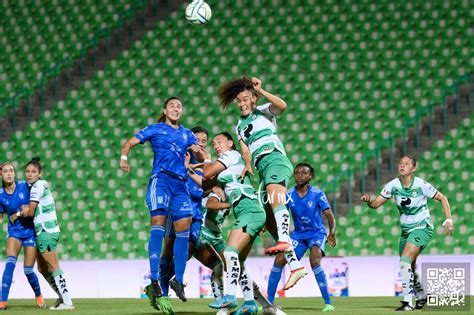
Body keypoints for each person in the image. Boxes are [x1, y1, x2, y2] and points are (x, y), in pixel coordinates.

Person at [217, 76, 307, 290]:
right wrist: (247, 165)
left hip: (275, 158)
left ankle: (285, 239)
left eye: (246, 99)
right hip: (262, 168)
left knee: (275, 196)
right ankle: (295, 266)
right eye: (238, 100)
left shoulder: (265, 111)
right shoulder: (239, 125)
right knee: (266, 216)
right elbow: (245, 150)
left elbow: (282, 106)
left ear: (254, 99)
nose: (241, 103)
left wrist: (262, 90)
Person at [120, 96, 203, 310]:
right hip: (161, 181)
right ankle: (155, 280)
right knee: (157, 228)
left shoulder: (187, 133)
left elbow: (204, 156)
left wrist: (198, 151)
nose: (176, 108)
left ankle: (179, 280)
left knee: (183, 231)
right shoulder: (155, 129)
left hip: (180, 185)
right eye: (172, 106)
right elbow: (129, 142)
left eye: (179, 106)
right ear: (164, 110)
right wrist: (124, 158)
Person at [361, 155, 454, 311]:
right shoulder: (393, 185)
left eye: (406, 163)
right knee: (409, 265)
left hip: (422, 228)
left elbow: (442, 198)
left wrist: (449, 219)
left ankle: (407, 302)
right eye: (400, 163)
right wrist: (369, 200)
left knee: (404, 261)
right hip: (406, 231)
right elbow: (376, 204)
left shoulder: (421, 184)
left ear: (413, 168)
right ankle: (423, 295)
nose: (402, 165)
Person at [155, 126, 225, 315]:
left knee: (189, 249)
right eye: (198, 139)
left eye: (204, 140)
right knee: (168, 250)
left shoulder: (207, 162)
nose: (201, 142)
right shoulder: (181, 155)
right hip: (177, 211)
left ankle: (169, 283)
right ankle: (162, 291)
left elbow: (208, 182)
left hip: (196, 214)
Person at [197, 132, 266, 314]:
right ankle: (250, 304)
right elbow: (204, 183)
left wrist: (206, 159)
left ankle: (229, 297)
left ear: (230, 143)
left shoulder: (232, 155)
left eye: (220, 142)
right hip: (246, 211)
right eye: (214, 143)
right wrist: (188, 169)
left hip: (248, 210)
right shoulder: (228, 166)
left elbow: (207, 172)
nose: (217, 145)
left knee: (229, 253)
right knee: (239, 261)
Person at [267, 163, 336, 312]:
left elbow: (330, 216)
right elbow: (281, 216)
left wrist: (332, 233)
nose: (299, 175)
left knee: (314, 260)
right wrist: (267, 225)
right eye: (297, 173)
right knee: (279, 260)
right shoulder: (289, 195)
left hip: (316, 233)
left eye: (303, 173)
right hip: (298, 235)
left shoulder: (318, 194)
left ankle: (328, 302)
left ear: (310, 176)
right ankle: (269, 302)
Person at [15, 157, 74, 310]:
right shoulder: (39, 185)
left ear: (39, 174)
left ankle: (67, 301)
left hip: (46, 231)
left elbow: (31, 211)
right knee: (42, 268)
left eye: (33, 172)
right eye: (27, 171)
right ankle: (62, 297)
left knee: (53, 265)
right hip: (43, 231)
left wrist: (19, 213)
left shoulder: (37, 187)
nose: (29, 174)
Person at [0, 162, 45, 310]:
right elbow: (1, 217)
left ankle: (39, 296)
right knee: (10, 264)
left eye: (11, 170)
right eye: (5, 171)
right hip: (14, 233)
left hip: (30, 233)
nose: (9, 173)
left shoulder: (25, 186)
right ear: (1, 175)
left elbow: (38, 199)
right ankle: (2, 302)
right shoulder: (0, 195)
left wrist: (22, 212)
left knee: (28, 270)